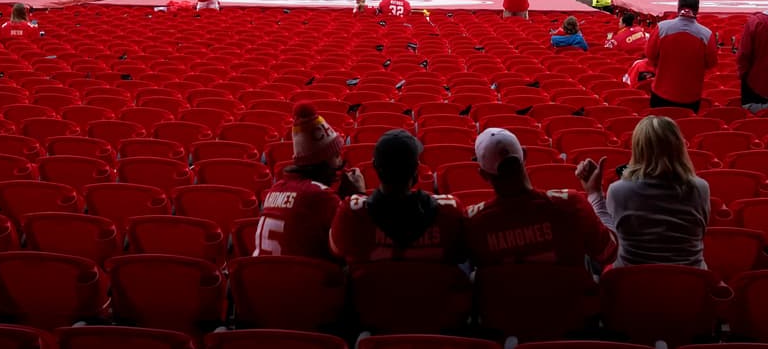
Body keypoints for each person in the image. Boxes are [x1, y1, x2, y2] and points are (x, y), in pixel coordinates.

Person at [465, 128, 616, 269]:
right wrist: (595, 194)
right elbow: (609, 253)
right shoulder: (570, 204)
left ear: (483, 174)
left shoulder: (473, 221)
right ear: (524, 155)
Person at [575, 116, 709, 268]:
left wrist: (594, 194)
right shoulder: (701, 188)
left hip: (632, 280)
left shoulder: (619, 190)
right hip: (690, 281)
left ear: (638, 147)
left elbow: (608, 241)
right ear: (678, 146)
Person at [330, 130, 465, 264]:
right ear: (417, 168)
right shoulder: (450, 210)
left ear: (374, 166)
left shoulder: (351, 213)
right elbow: (461, 254)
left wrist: (359, 195)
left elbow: (337, 250)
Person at [255, 104, 365, 258]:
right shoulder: (321, 196)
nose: (341, 160)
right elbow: (353, 245)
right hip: (302, 280)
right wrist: (357, 197)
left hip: (261, 279)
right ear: (324, 159)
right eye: (336, 155)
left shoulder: (275, 189)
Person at [645, 0, 717, 112]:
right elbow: (711, 63)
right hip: (691, 97)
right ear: (697, 10)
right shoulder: (706, 35)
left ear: (678, 7)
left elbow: (650, 55)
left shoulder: (662, 28)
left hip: (661, 93)